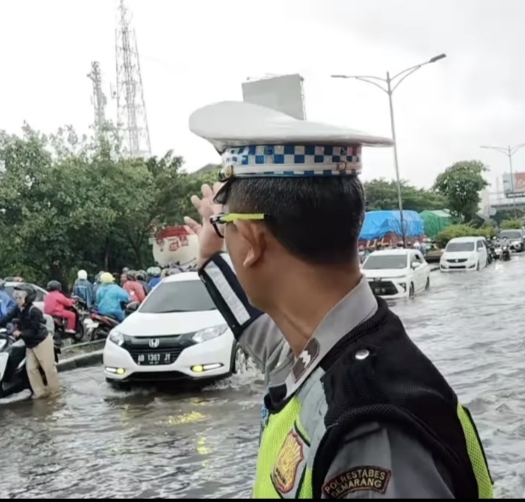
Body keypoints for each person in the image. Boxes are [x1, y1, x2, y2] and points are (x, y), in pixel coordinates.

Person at [183, 101, 493, 499]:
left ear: (253, 241)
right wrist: (210, 258)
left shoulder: (367, 434)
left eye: (227, 227)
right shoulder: (322, 352)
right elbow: (257, 333)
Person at [0, 283, 60, 399]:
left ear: (28, 298)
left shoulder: (34, 311)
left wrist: (21, 333)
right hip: (29, 343)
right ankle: (40, 393)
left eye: (20, 298)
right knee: (31, 369)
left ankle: (55, 394)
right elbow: (7, 318)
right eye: (16, 297)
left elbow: (34, 330)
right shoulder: (17, 308)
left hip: (42, 341)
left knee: (49, 369)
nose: (17, 300)